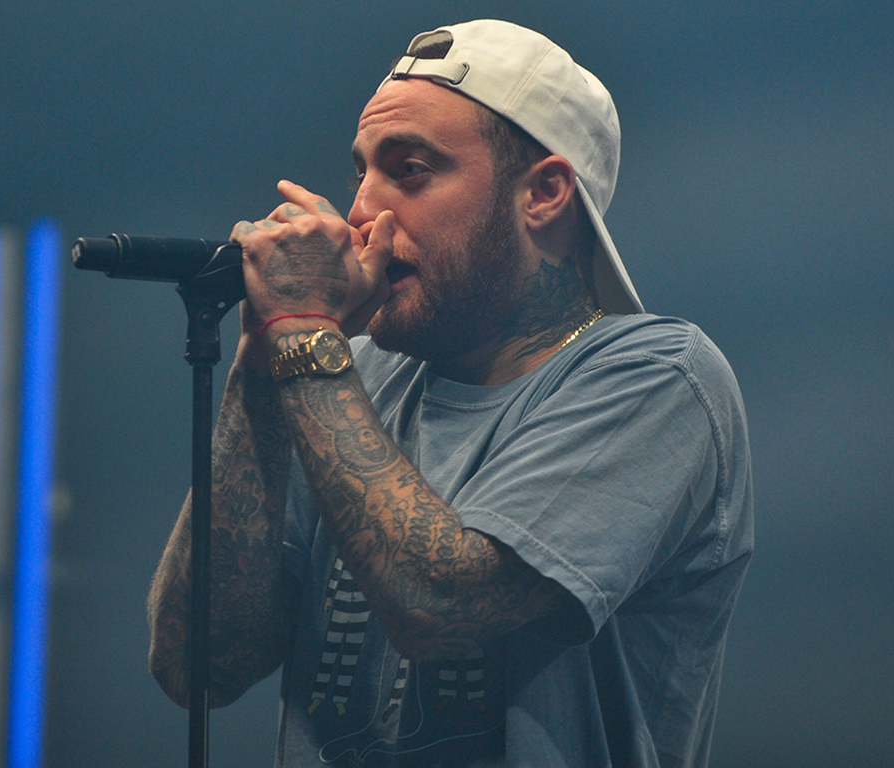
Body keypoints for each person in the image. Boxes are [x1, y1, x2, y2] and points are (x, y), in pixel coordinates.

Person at [147, 19, 753, 768]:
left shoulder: (659, 378)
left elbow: (442, 603)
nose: (363, 211)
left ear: (544, 194)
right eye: (360, 174)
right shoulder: (342, 374)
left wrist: (304, 334)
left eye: (409, 170)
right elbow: (195, 666)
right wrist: (260, 362)